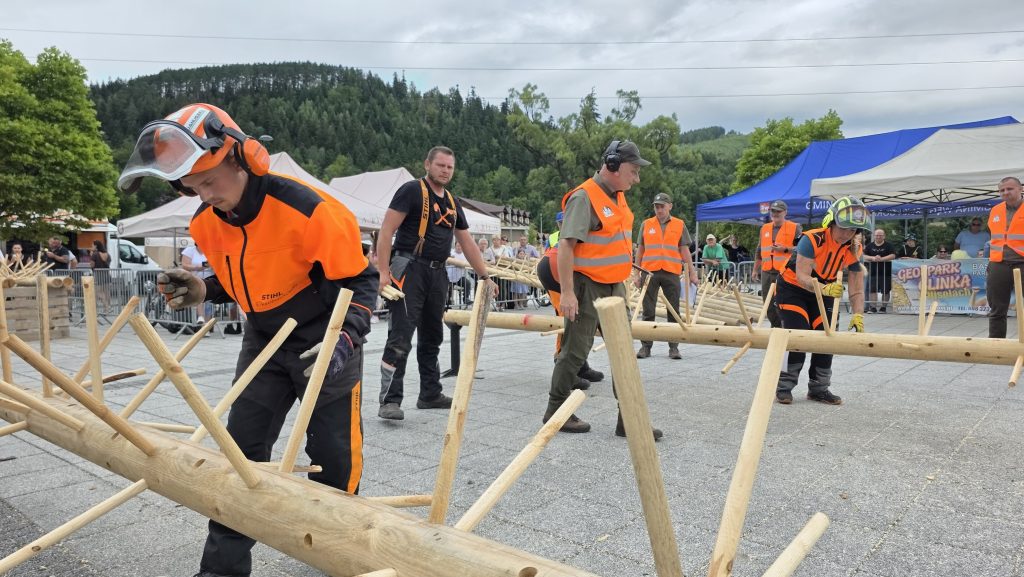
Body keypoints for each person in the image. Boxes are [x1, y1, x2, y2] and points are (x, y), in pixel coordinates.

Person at [117, 102, 378, 577]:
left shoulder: (311, 210)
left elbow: (362, 282)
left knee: (335, 460)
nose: (205, 196)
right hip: (263, 337)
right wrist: (204, 289)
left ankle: (344, 561)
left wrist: (346, 339)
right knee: (240, 454)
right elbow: (240, 274)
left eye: (209, 181)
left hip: (323, 335)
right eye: (192, 187)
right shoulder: (205, 222)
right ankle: (220, 570)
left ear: (243, 157)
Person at [547, 139, 661, 440]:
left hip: (614, 286)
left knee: (623, 352)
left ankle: (629, 420)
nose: (636, 178)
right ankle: (555, 411)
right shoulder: (584, 197)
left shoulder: (617, 196)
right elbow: (566, 246)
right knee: (575, 351)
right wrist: (567, 293)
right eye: (633, 171)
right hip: (587, 285)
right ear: (613, 166)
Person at [375, 146, 497, 421]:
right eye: (440, 165)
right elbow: (386, 230)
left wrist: (485, 276)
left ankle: (430, 393)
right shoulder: (411, 191)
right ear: (427, 164)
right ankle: (389, 400)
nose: (445, 170)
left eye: (449, 167)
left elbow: (467, 242)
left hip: (437, 272)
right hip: (409, 268)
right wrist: (383, 272)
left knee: (433, 335)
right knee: (400, 336)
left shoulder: (452, 201)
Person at [776, 196, 869, 406]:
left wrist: (858, 314)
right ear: (832, 223)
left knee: (827, 336)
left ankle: (819, 388)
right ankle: (783, 386)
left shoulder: (854, 249)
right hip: (792, 288)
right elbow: (802, 276)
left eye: (853, 230)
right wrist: (824, 288)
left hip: (825, 289)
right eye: (843, 228)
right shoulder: (811, 239)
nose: (847, 234)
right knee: (797, 334)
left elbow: (856, 288)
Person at [635, 192, 698, 360]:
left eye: (662, 206)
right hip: (649, 272)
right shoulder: (646, 224)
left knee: (673, 310)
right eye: (656, 207)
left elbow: (684, 251)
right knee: (648, 311)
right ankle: (645, 347)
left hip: (671, 272)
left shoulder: (679, 224)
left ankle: (674, 347)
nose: (659, 209)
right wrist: (636, 274)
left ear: (670, 206)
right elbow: (640, 251)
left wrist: (692, 272)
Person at [752, 200, 802, 328]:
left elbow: (802, 249)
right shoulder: (764, 228)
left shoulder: (795, 227)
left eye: (778, 211)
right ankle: (776, 327)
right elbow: (759, 250)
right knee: (768, 304)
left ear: (785, 212)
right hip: (767, 272)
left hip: (785, 272)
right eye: (773, 211)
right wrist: (755, 270)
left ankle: (785, 328)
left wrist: (785, 249)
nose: (775, 213)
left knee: (784, 303)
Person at [986, 176, 1024, 338]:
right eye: (1002, 190)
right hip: (999, 263)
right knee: (997, 308)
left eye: (1009, 189)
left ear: (1020, 189)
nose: (1005, 192)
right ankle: (996, 345)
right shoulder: (995, 210)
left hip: (1022, 262)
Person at [862, 228, 895, 313]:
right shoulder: (869, 246)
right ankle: (873, 307)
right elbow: (864, 256)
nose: (878, 237)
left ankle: (883, 307)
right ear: (874, 236)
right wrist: (873, 258)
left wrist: (882, 259)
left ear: (884, 236)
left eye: (880, 235)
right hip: (873, 272)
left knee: (886, 291)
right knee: (872, 290)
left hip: (886, 272)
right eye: (877, 235)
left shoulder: (889, 245)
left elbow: (893, 255)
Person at [181, 243, 215, 323]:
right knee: (200, 297)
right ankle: (201, 317)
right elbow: (185, 265)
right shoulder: (189, 250)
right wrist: (199, 267)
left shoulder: (211, 251)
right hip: (195, 280)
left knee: (208, 303)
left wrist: (210, 265)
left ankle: (207, 324)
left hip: (209, 280)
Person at [446, 242, 471, 307]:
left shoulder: (465, 255)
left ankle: (466, 298)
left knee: (468, 283)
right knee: (448, 290)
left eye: (460, 246)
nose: (459, 247)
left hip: (460, 277)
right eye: (458, 246)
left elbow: (467, 264)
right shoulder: (451, 253)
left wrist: (461, 265)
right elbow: (446, 261)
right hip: (449, 277)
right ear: (455, 246)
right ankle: (448, 303)